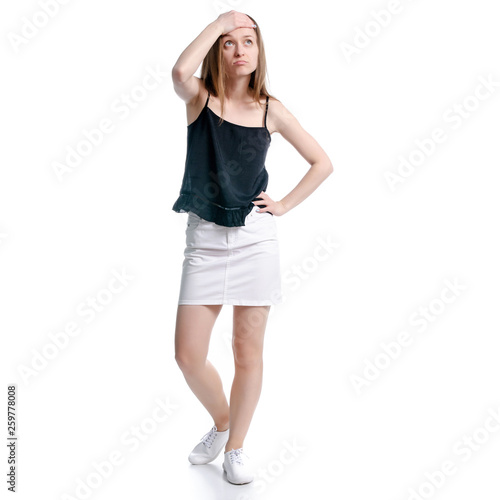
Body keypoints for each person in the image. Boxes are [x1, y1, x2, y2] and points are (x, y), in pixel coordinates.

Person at [171, 10, 333, 485]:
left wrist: (282, 205)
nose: (240, 50)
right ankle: (222, 422)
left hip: (254, 240)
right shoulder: (199, 98)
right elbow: (181, 71)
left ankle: (236, 448)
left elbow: (322, 163)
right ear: (217, 50)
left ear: (259, 52)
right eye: (229, 42)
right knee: (187, 354)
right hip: (204, 237)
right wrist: (221, 19)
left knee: (247, 351)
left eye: (248, 41)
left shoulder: (271, 109)